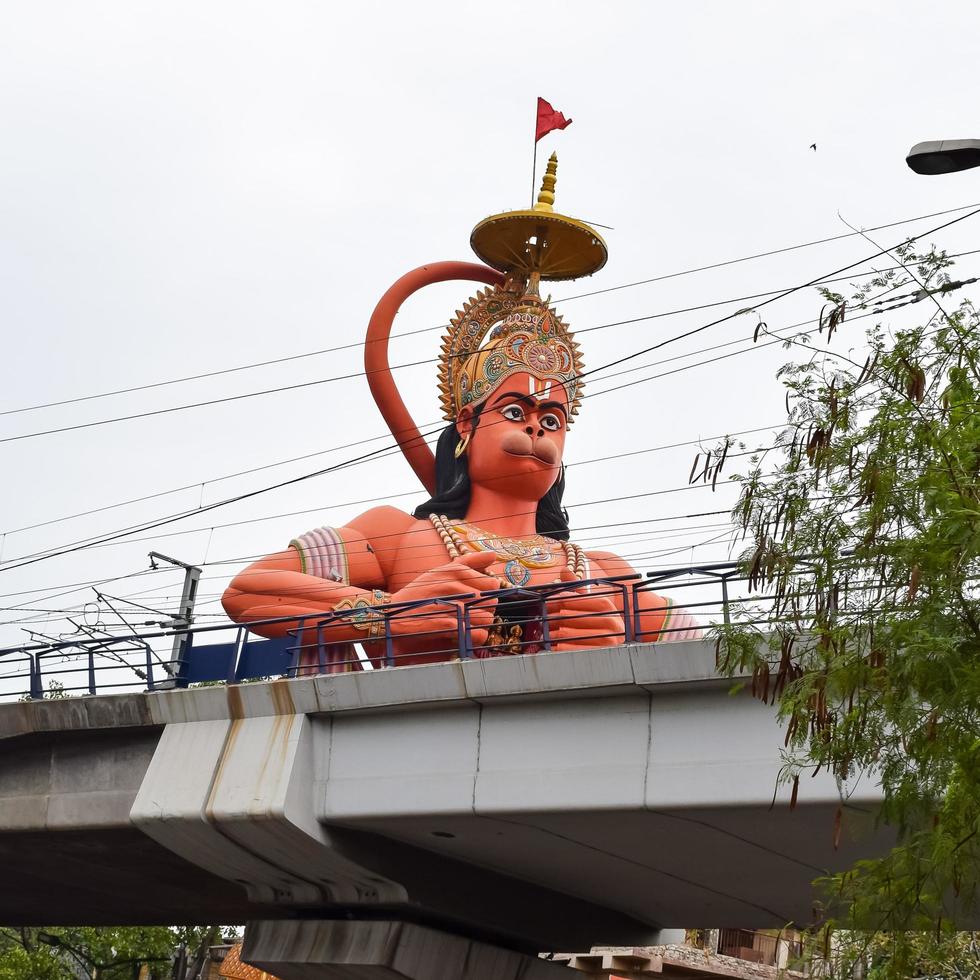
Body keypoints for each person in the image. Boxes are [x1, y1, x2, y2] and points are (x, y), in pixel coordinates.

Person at [222, 157, 699, 670]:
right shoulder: (400, 537)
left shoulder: (601, 572)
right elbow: (250, 589)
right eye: (516, 410)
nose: (537, 426)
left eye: (554, 420)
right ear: (467, 425)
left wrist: (615, 653)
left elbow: (714, 658)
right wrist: (392, 615)